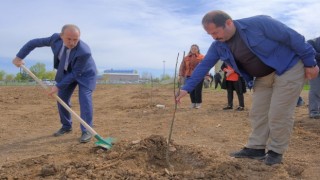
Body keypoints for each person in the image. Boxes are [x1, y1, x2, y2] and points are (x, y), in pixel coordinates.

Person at [176, 10, 318, 165]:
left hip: (288, 68)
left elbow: (293, 37)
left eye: (216, 32)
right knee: (258, 112)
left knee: (279, 113)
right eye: (210, 34)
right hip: (262, 77)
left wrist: (310, 62)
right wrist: (186, 88)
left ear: (228, 23)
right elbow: (204, 66)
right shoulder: (218, 46)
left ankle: (276, 152)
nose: (214, 37)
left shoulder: (259, 23)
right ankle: (256, 148)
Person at [13, 24, 97, 143]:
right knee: (62, 98)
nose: (72, 42)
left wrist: (58, 86)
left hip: (85, 75)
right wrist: (19, 57)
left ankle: (87, 130)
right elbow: (33, 43)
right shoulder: (54, 39)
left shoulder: (84, 51)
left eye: (75, 39)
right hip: (66, 72)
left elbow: (75, 74)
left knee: (85, 99)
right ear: (61, 35)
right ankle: (66, 126)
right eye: (69, 39)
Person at [178, 44, 205, 109]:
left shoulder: (202, 57)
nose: (193, 49)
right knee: (191, 90)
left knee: (198, 90)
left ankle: (198, 104)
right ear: (190, 49)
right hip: (188, 76)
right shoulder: (186, 58)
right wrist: (180, 75)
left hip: (198, 76)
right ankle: (193, 103)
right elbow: (182, 67)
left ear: (198, 49)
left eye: (195, 48)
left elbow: (205, 67)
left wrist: (206, 75)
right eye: (192, 48)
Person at [307, 37, 320, 118]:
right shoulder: (312, 41)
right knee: (315, 89)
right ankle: (314, 111)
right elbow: (311, 53)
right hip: (314, 68)